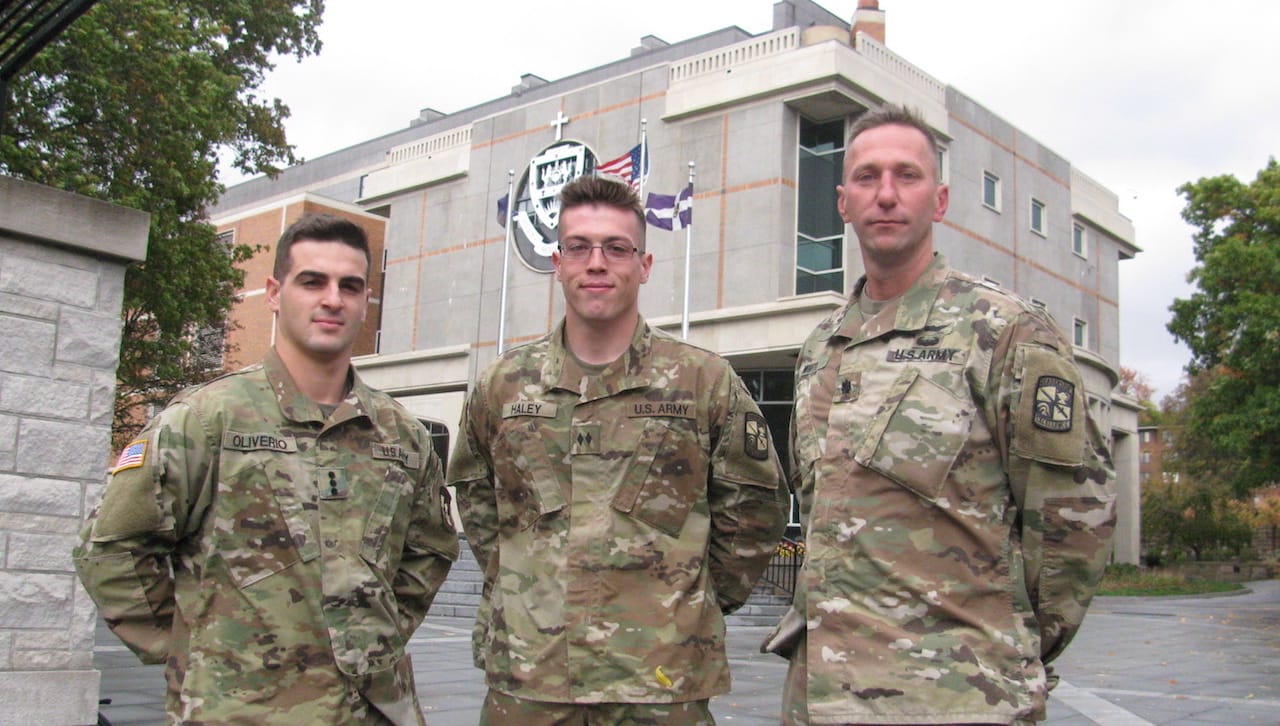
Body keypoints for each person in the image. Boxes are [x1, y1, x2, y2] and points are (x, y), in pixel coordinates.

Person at [768, 105, 1117, 725]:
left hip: (956, 699)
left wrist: (1000, 652)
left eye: (907, 175)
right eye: (868, 178)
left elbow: (1073, 525)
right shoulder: (821, 348)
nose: (887, 194)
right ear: (843, 202)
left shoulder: (1004, 332)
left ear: (941, 199)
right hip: (820, 700)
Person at [74, 214, 459, 725]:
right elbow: (112, 547)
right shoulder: (207, 420)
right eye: (312, 281)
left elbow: (430, 548)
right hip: (241, 709)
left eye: (350, 286)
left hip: (371, 709)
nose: (332, 299)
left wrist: (375, 635)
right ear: (275, 293)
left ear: (366, 300)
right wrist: (194, 648)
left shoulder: (400, 433)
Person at [447, 175, 790, 725]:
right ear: (558, 263)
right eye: (579, 246)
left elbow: (754, 512)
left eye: (616, 248)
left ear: (644, 265)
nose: (597, 262)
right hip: (531, 681)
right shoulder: (504, 385)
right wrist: (526, 587)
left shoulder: (703, 382)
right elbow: (478, 502)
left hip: (659, 681)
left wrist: (686, 604)